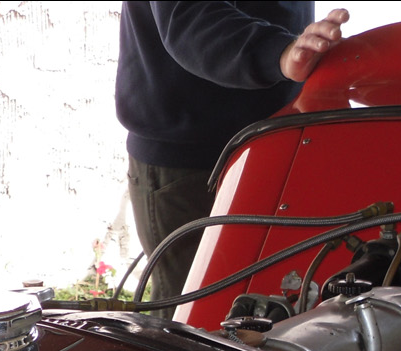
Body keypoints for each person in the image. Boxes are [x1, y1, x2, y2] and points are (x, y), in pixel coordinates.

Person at [116, 3, 350, 311]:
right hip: (190, 162)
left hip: (279, 137)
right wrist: (278, 53)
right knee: (190, 321)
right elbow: (190, 18)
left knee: (275, 308)